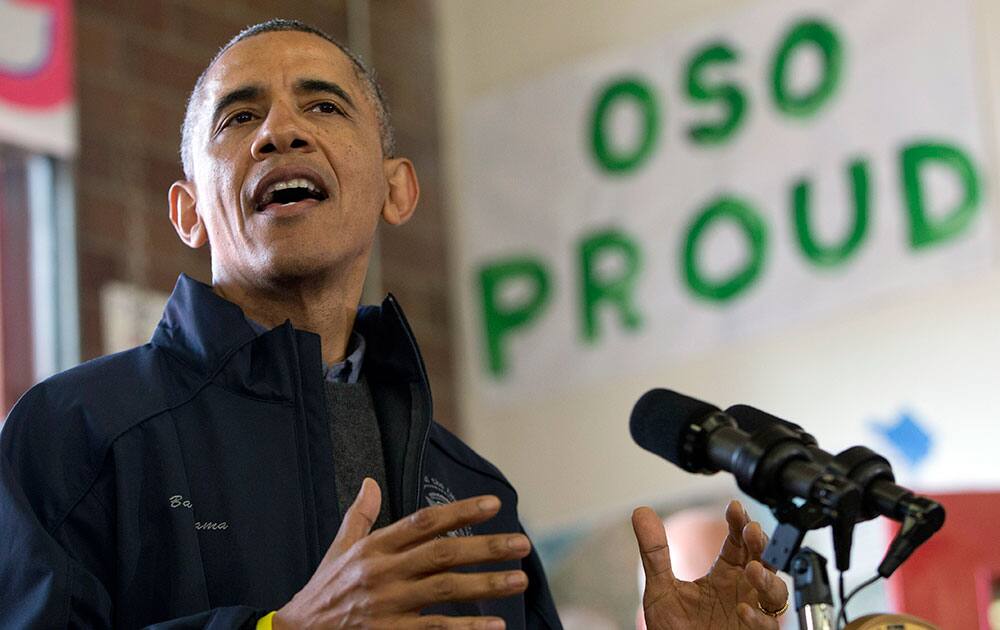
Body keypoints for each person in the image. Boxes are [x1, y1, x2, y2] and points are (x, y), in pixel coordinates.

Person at [0, 19, 787, 629]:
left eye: (323, 104)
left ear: (396, 190)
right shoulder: (76, 432)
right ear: (188, 212)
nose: (281, 130)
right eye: (239, 118)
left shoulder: (477, 494)